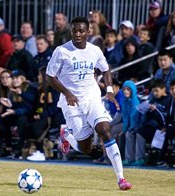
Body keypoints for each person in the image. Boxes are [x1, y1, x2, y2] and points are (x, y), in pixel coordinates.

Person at [46, 16, 132, 190]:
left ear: (88, 32)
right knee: (86, 148)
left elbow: (106, 69)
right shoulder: (62, 51)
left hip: (92, 98)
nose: (77, 34)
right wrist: (67, 92)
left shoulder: (94, 50)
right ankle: (67, 135)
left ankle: (121, 179)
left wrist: (109, 91)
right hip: (71, 103)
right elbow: (50, 77)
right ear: (71, 31)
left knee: (105, 130)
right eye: (74, 30)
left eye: (81, 31)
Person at [121, 80, 145, 166]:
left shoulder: (135, 101)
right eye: (124, 89)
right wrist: (125, 128)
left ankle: (139, 158)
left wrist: (132, 128)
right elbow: (125, 117)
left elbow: (134, 117)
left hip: (139, 126)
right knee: (127, 134)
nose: (126, 91)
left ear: (133, 90)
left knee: (134, 134)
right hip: (132, 126)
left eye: (128, 89)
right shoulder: (124, 102)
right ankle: (129, 158)